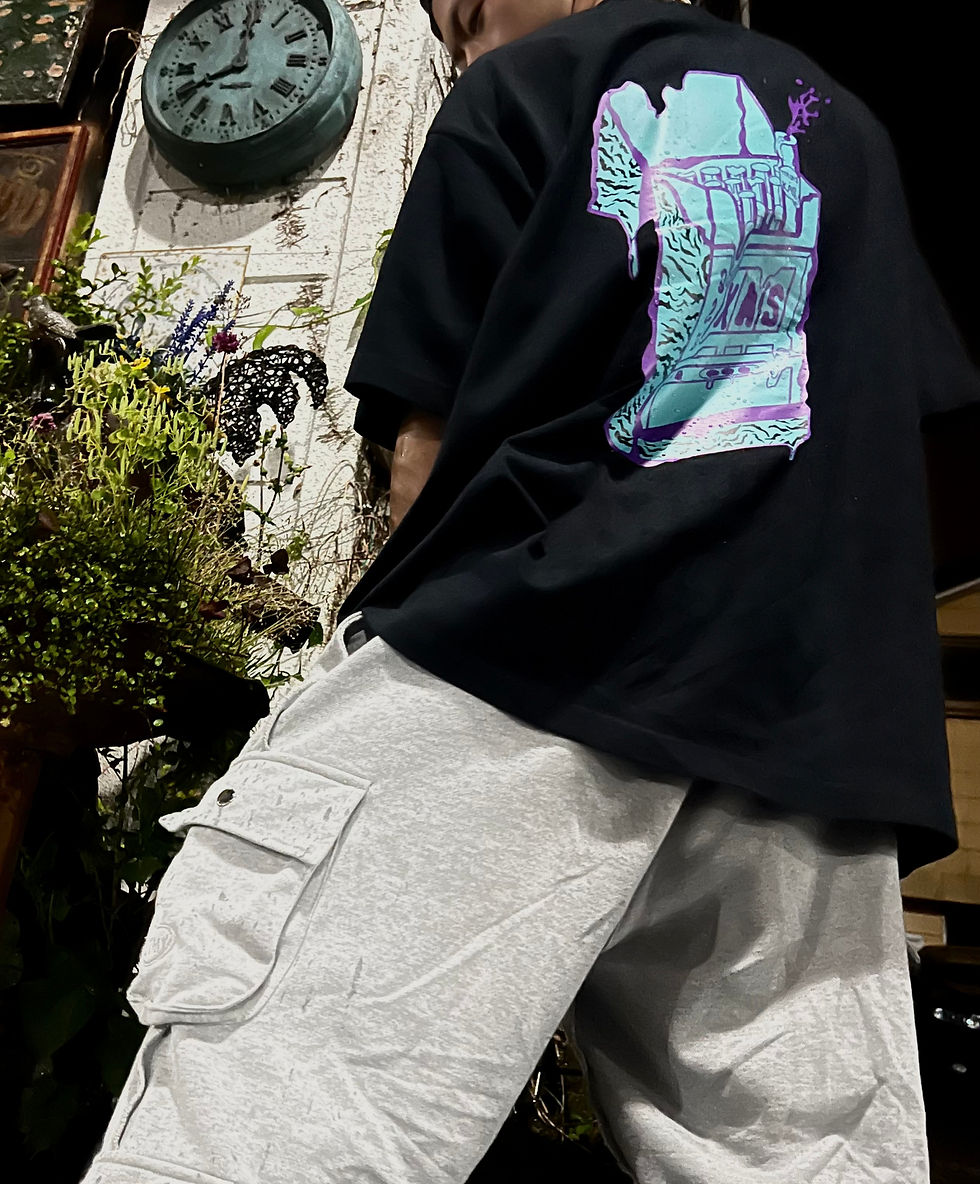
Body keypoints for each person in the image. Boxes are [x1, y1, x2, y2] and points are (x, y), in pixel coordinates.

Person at [82, 2, 980, 1182]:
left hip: (525, 651)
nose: (454, 41)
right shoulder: (845, 129)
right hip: (802, 730)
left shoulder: (525, 87)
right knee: (792, 1158)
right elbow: (909, 435)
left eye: (457, 16)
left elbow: (421, 454)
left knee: (282, 1118)